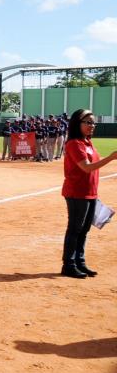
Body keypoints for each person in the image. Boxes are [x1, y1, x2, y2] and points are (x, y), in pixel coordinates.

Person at [60, 109, 117, 278]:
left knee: (84, 229)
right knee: (75, 228)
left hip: (90, 192)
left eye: (93, 123)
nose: (92, 126)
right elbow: (86, 167)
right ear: (78, 124)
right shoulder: (74, 144)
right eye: (88, 122)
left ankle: (80, 262)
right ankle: (68, 265)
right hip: (76, 192)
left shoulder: (87, 142)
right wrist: (111, 157)